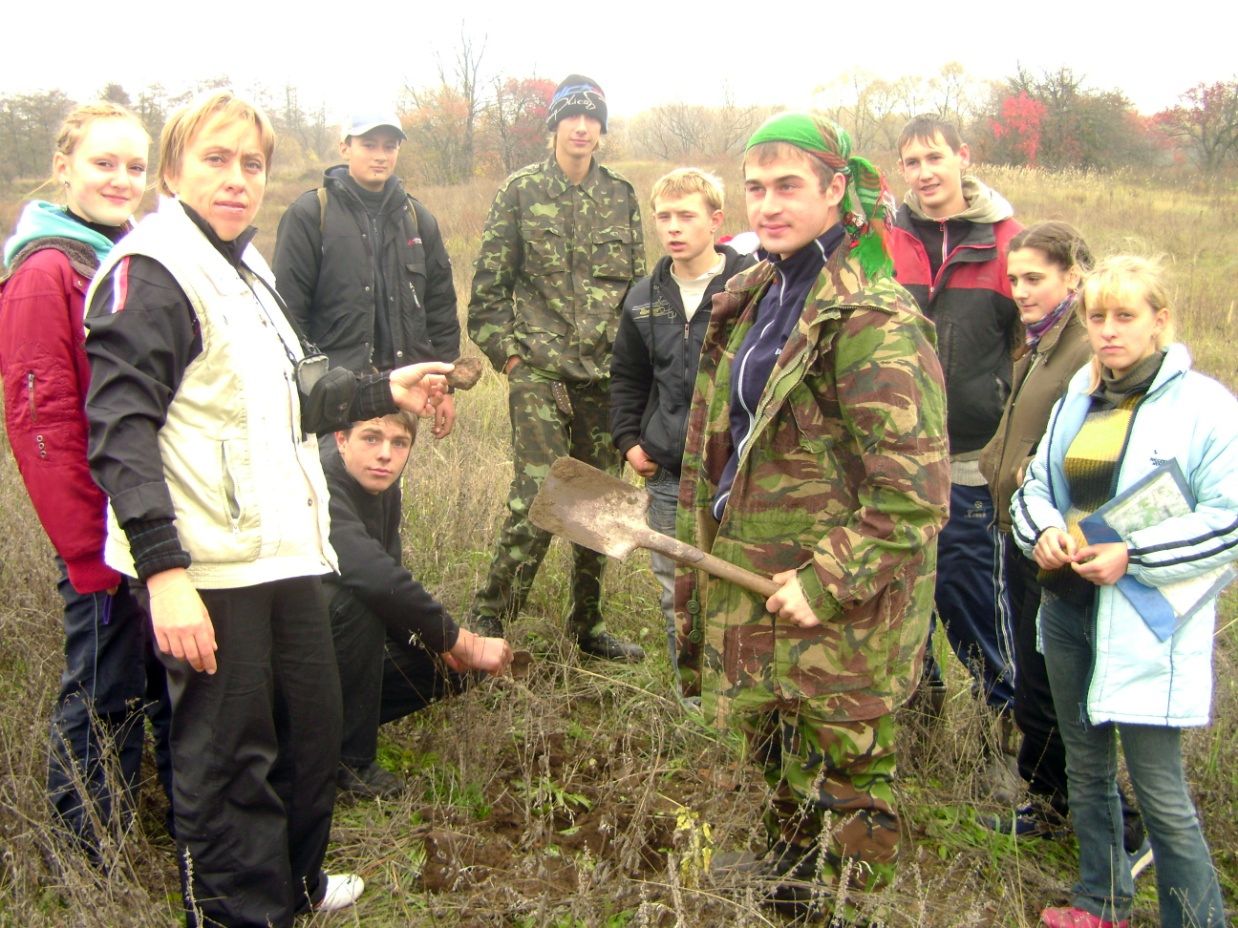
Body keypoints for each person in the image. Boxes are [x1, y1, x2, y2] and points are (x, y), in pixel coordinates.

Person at [83, 90, 452, 927]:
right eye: (216, 159)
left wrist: (380, 387)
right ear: (173, 169)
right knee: (227, 762)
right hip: (209, 567)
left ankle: (293, 889)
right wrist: (165, 572)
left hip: (286, 550)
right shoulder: (155, 272)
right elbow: (119, 432)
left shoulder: (243, 267)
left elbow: (288, 392)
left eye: (252, 164)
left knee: (310, 737)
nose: (237, 179)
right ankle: (235, 913)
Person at [679, 112, 949, 916]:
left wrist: (828, 582)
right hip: (758, 581)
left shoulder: (873, 321)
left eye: (788, 186)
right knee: (772, 748)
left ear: (836, 191)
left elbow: (912, 494)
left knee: (847, 779)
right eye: (755, 187)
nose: (767, 204)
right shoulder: (764, 292)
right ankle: (788, 886)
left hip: (839, 607)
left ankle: (848, 904)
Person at [1012, 255, 1236, 928]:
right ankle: (1100, 899)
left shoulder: (1206, 407)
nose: (1108, 332)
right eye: (1097, 317)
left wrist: (1133, 556)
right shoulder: (1077, 397)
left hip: (1144, 625)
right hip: (1069, 610)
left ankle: (1193, 920)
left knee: (1161, 793)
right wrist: (1044, 534)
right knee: (1085, 771)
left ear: (1160, 321)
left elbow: (1227, 519)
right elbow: (1036, 489)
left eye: (1126, 317)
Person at [0, 101, 172, 861]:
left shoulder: (125, 253)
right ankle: (83, 849)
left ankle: (142, 815)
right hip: (102, 535)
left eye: (135, 167)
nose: (121, 180)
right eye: (104, 163)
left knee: (149, 676)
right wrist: (85, 549)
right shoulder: (46, 271)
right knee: (100, 687)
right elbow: (45, 427)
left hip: (148, 516)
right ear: (64, 164)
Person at [977, 223, 1148, 865]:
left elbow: (1107, 457)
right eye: (1013, 278)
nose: (1019, 290)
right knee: (1037, 683)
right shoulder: (1042, 343)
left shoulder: (1086, 348)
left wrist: (1060, 514)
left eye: (1034, 278)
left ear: (1071, 278)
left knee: (1060, 689)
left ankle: (1124, 830)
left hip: (1069, 544)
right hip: (1029, 533)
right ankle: (1049, 805)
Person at [466, 74, 646, 661]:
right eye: (571, 116)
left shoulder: (621, 195)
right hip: (540, 375)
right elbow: (487, 297)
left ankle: (588, 629)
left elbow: (638, 297)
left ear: (602, 128)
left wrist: (635, 373)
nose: (582, 127)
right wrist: (514, 361)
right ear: (553, 125)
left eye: (593, 117)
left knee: (599, 503)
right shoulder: (520, 192)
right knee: (538, 496)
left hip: (604, 377)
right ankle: (489, 625)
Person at [890, 115, 1022, 792]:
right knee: (904, 608)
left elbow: (1032, 348)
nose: (923, 172)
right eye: (910, 162)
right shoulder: (886, 240)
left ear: (962, 158)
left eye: (934, 157)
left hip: (970, 461)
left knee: (971, 607)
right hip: (897, 465)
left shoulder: (1006, 241)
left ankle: (1006, 745)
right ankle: (917, 731)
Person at [324, 411, 513, 799]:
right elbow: (369, 574)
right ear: (342, 439)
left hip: (335, 646)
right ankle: (346, 761)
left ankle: (321, 730)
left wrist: (437, 644)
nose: (385, 455)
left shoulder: (383, 487)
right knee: (357, 603)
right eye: (371, 439)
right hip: (287, 646)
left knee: (457, 668)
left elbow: (390, 569)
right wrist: (452, 636)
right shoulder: (317, 482)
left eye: (399, 443)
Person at [609, 167, 751, 666]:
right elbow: (627, 377)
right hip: (669, 471)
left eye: (686, 216)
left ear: (715, 221)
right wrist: (628, 440)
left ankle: (739, 692)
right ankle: (688, 693)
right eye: (664, 216)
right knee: (676, 590)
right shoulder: (643, 297)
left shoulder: (753, 287)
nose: (673, 227)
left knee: (740, 585)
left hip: (739, 471)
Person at [272, 111, 460, 438]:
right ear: (345, 147)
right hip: (335, 397)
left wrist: (447, 389)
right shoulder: (310, 214)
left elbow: (441, 307)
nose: (380, 155)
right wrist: (304, 394)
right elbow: (287, 316)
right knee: (336, 486)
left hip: (404, 391)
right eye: (369, 144)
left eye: (389, 146)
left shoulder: (418, 218)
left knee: (387, 485)